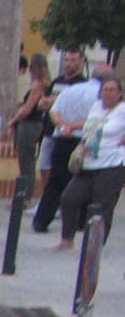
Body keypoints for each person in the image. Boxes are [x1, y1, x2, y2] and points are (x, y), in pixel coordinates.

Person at [32, 51, 97, 233]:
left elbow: (53, 108)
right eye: (66, 59)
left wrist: (64, 125)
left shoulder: (78, 86)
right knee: (77, 179)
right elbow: (43, 105)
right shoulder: (60, 82)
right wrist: (69, 126)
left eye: (73, 60)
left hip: (64, 136)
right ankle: (78, 221)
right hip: (69, 137)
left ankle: (43, 220)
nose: (68, 63)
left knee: (58, 181)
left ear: (82, 62)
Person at [59, 75, 125, 248]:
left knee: (102, 205)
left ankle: (95, 245)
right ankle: (67, 239)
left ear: (120, 93)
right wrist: (75, 132)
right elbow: (89, 127)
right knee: (69, 198)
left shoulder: (123, 110)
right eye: (105, 89)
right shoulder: (96, 107)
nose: (108, 93)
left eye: (112, 90)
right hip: (88, 162)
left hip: (111, 164)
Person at [10, 53, 52, 197]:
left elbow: (27, 109)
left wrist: (13, 120)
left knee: (26, 161)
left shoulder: (37, 85)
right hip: (34, 124)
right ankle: (25, 194)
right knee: (27, 160)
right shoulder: (44, 84)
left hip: (29, 125)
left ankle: (25, 196)